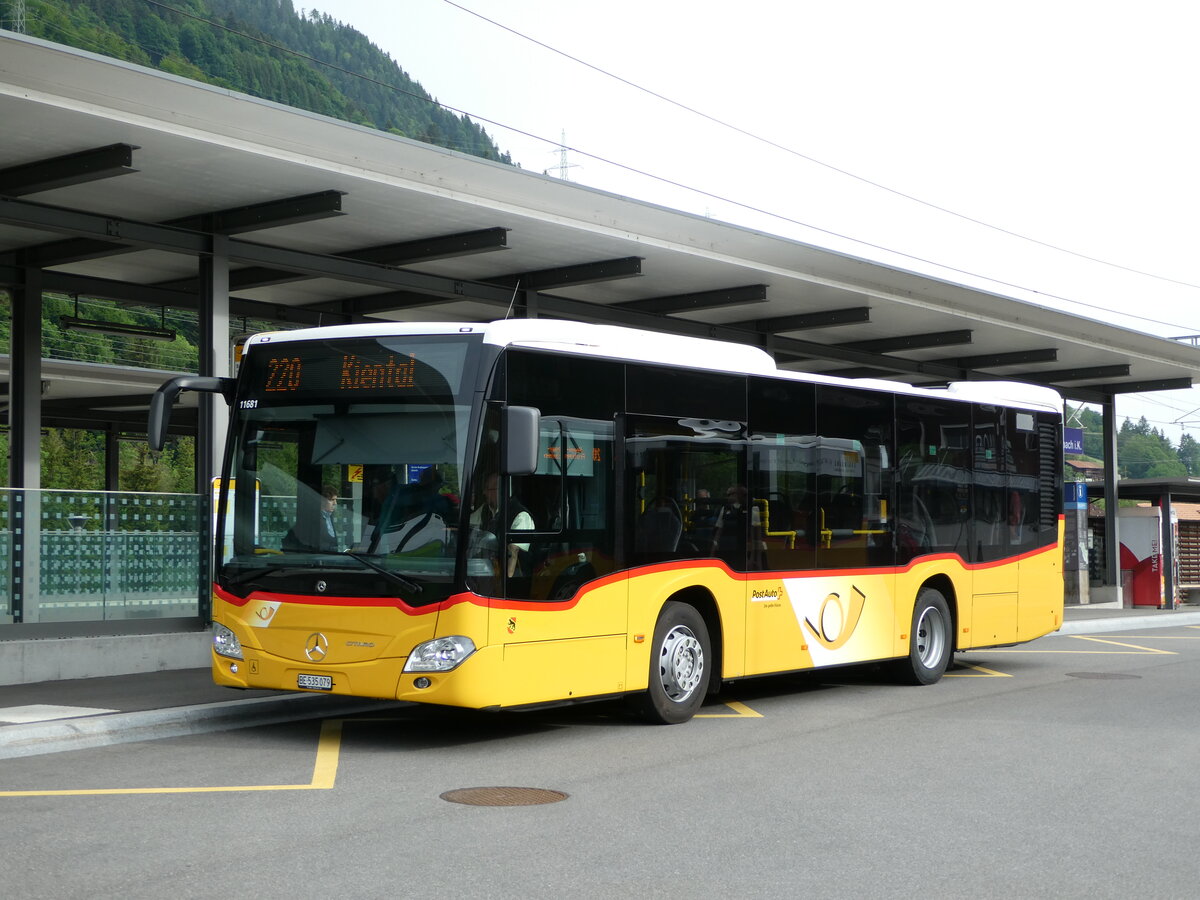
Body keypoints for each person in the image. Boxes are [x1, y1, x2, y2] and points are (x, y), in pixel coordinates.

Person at [471, 472, 534, 577]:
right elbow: (469, 526)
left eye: (488, 489)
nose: (484, 493)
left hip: (513, 577)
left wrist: (505, 582)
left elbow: (513, 553)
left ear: (499, 490)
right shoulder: (486, 509)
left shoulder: (521, 516)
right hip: (486, 569)